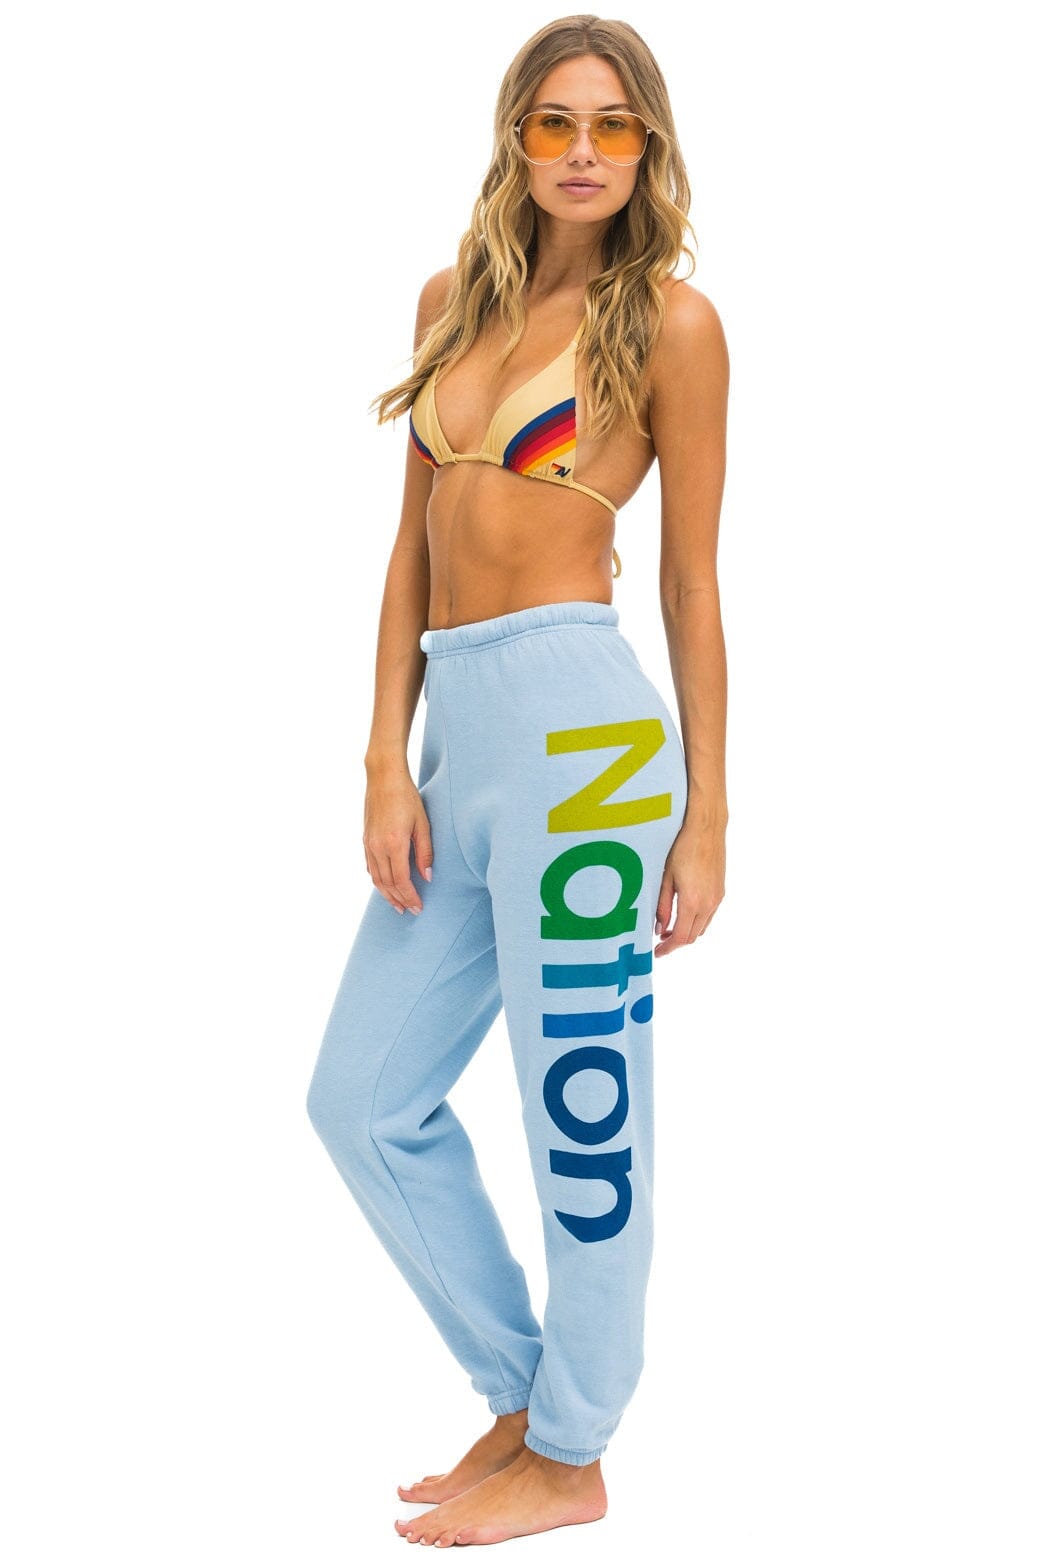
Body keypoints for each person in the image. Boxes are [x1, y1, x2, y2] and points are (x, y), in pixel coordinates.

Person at [305, 13, 729, 1547]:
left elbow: (688, 583)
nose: (582, 152)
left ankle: (574, 1449)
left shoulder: (671, 325)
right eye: (555, 123)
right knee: (361, 1098)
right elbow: (405, 558)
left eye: (613, 126)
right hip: (457, 743)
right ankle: (522, 1395)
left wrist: (710, 812)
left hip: (587, 746)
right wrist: (385, 759)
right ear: (517, 140)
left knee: (581, 1114)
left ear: (648, 148)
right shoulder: (451, 303)